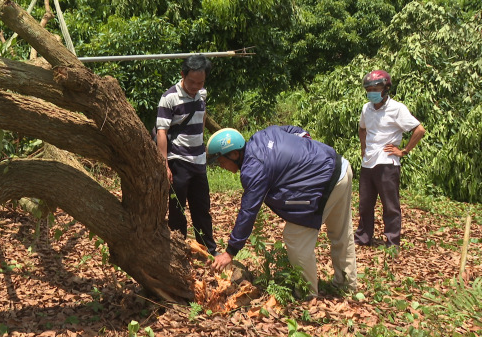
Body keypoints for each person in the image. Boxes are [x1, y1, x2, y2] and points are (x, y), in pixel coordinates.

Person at [207, 126, 357, 297]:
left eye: (220, 161)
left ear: (234, 154)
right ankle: (347, 285)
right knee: (341, 232)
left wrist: (230, 252)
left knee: (295, 236)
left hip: (324, 181)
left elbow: (248, 211)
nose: (220, 166)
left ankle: (307, 295)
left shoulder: (253, 169)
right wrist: (305, 153)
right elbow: (295, 130)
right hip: (341, 167)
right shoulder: (262, 135)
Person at [155, 55, 217, 255]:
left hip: (198, 160)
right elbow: (161, 131)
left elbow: (202, 117)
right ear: (182, 74)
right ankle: (179, 249)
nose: (196, 86)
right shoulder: (169, 97)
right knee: (177, 209)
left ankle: (207, 250)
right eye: (192, 82)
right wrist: (163, 164)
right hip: (178, 160)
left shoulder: (202, 94)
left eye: (200, 82)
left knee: (202, 208)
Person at [355, 70, 426, 248]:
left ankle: (392, 243)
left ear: (386, 88)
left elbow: (419, 130)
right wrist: (364, 148)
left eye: (376, 88)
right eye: (369, 88)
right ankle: (363, 238)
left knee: (390, 206)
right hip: (368, 163)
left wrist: (404, 151)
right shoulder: (366, 108)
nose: (372, 91)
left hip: (387, 163)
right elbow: (362, 128)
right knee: (365, 205)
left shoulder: (397, 109)